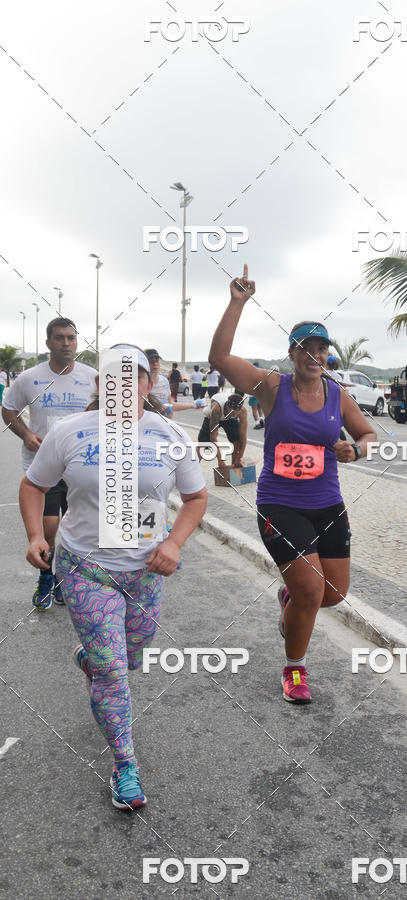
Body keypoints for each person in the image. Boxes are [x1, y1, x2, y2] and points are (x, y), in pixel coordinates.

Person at [19, 345, 207, 810]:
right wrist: (33, 535)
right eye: (114, 378)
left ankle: (91, 658)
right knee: (112, 671)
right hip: (87, 568)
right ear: (101, 385)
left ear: (148, 383)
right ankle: (125, 764)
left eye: (135, 378)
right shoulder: (70, 432)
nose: (124, 386)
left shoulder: (168, 435)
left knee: (131, 656)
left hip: (146, 570)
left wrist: (173, 543)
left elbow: (197, 498)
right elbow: (32, 485)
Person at [209, 266, 376, 704]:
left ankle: (291, 600)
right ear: (292, 352)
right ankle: (295, 669)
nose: (314, 355)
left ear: (328, 356)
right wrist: (238, 302)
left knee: (335, 593)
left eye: (321, 349)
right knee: (311, 589)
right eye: (306, 347)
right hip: (280, 505)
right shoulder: (271, 386)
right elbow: (220, 360)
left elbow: (368, 435)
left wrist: (356, 450)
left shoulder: (337, 395)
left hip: (328, 503)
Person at [2, 318, 97, 609]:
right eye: (60, 338)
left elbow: (103, 413)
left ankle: (71, 580)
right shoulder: (30, 378)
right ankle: (46, 576)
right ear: (48, 343)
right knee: (49, 526)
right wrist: (27, 433)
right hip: (43, 465)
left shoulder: (92, 377)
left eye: (71, 337)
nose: (66, 343)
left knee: (82, 527)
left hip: (82, 467)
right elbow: (8, 409)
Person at [144, 350, 206, 417]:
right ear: (145, 363)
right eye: (151, 361)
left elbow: (170, 404)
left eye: (157, 360)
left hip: (163, 422)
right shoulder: (140, 383)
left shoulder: (164, 381)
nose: (155, 364)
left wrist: (192, 405)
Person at [198, 391, 247, 468]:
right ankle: (193, 467)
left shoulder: (242, 411)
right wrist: (220, 460)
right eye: (233, 412)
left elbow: (243, 436)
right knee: (203, 444)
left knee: (237, 439)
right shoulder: (216, 409)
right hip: (212, 416)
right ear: (228, 407)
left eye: (237, 413)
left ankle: (234, 468)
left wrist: (239, 457)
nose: (235, 414)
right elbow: (213, 437)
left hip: (228, 418)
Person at [249, 362, 265, 429]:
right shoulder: (261, 374)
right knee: (260, 408)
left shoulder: (251, 374)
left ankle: (257, 423)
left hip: (253, 394)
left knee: (254, 409)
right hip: (261, 394)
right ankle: (261, 418)